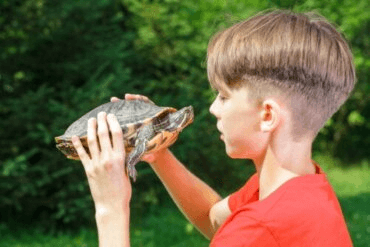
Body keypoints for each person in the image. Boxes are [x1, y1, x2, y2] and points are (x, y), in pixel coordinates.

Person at [71, 9, 355, 246]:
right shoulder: (299, 188)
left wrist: (110, 209)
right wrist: (158, 154)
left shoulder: (260, 227)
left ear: (267, 114)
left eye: (223, 96)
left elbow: (240, 231)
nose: (213, 108)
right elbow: (213, 218)